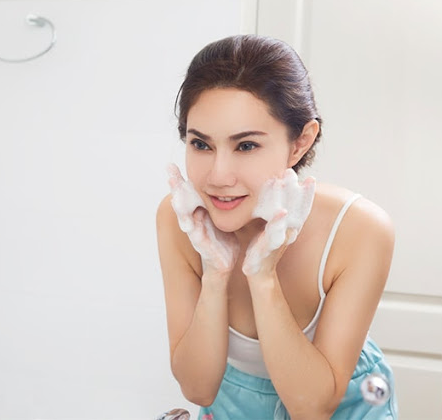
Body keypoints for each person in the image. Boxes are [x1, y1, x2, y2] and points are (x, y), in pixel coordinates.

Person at [156, 35, 398, 420]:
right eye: (200, 144)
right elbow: (198, 388)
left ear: (301, 142)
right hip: (231, 403)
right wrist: (216, 274)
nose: (218, 177)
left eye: (246, 146)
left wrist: (262, 275)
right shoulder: (180, 220)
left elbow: (313, 408)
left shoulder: (359, 229)